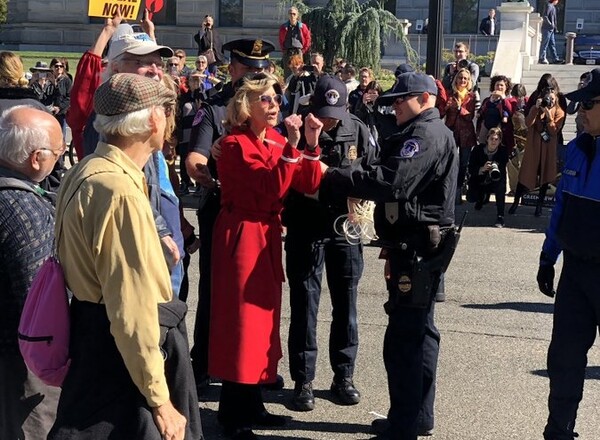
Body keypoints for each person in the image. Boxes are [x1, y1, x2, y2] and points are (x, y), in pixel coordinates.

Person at [48, 73, 202, 440]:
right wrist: (160, 400)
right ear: (152, 120)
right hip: (118, 354)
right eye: (165, 110)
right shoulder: (119, 191)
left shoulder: (86, 170)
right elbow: (131, 310)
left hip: (96, 336)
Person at [319, 71, 458, 440]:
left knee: (405, 340)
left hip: (417, 249)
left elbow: (391, 181)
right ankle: (416, 417)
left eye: (402, 98)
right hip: (417, 245)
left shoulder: (425, 134)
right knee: (420, 334)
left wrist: (335, 175)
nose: (395, 104)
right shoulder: (425, 132)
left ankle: (404, 424)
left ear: (425, 99)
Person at [209, 72, 324, 440]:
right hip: (243, 235)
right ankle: (232, 413)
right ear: (247, 106)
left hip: (265, 235)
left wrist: (309, 142)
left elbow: (307, 183)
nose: (274, 105)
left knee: (263, 322)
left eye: (276, 98)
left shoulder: (274, 140)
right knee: (241, 323)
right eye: (266, 100)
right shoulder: (233, 146)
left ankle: (252, 402)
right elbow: (266, 190)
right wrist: (291, 148)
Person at [185, 38, 279, 392]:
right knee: (215, 291)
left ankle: (254, 368)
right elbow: (195, 154)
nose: (256, 74)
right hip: (223, 206)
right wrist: (201, 171)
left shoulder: (268, 102)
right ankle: (206, 361)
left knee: (256, 296)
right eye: (249, 69)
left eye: (261, 68)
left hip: (262, 212)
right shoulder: (212, 106)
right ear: (233, 68)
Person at [282, 74, 377, 412]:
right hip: (306, 226)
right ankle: (303, 380)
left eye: (334, 114)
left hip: (344, 229)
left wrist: (356, 196)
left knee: (346, 307)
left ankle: (343, 376)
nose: (328, 121)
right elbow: (287, 176)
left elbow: (372, 174)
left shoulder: (359, 130)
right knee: (305, 307)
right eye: (322, 113)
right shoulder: (294, 128)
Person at [536, 67, 600, 440]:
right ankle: (559, 429)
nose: (580, 113)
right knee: (564, 358)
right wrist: (548, 257)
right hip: (576, 272)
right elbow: (560, 207)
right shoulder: (576, 150)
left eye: (589, 105)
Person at [0, 105, 63, 440]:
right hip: (22, 365)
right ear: (36, 158)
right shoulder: (24, 208)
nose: (60, 158)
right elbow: (40, 304)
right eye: (58, 152)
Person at [509, 75, 565, 217]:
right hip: (534, 141)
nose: (548, 94)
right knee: (527, 171)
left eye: (550, 89)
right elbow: (527, 122)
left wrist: (549, 115)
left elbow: (557, 127)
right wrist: (536, 107)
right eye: (545, 88)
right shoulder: (536, 96)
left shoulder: (560, 100)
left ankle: (539, 206)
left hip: (549, 143)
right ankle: (516, 202)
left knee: (546, 173)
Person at [443, 68, 477, 204]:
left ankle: (458, 191)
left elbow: (470, 116)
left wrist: (459, 108)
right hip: (452, 132)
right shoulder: (450, 94)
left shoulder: (472, 97)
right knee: (450, 162)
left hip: (466, 134)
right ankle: (448, 190)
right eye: (460, 78)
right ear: (456, 79)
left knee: (463, 163)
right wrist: (447, 108)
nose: (462, 81)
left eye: (465, 79)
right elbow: (447, 118)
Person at [467, 127, 509, 227]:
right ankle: (481, 199)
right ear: (487, 139)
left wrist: (495, 167)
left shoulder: (503, 151)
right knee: (471, 198)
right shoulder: (477, 150)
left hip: (495, 180)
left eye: (496, 139)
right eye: (491, 139)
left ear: (500, 141)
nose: (493, 142)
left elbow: (502, 171)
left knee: (500, 188)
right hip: (480, 179)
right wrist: (481, 169)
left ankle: (500, 216)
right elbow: (470, 168)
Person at [476, 74, 515, 155]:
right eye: (497, 85)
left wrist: (503, 98)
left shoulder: (509, 100)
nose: (499, 87)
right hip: (486, 127)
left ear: (506, 87)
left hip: (500, 129)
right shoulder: (487, 100)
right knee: (482, 147)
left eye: (502, 85)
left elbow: (510, 111)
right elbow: (482, 110)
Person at [279, 6, 312, 77]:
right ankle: (288, 86)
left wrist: (303, 50)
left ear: (297, 15)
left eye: (294, 14)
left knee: (299, 70)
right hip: (287, 52)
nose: (292, 15)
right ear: (288, 15)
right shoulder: (283, 27)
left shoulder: (302, 26)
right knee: (287, 72)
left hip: (298, 52)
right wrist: (283, 49)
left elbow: (308, 38)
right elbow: (280, 39)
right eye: (290, 14)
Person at [49, 57, 72, 137]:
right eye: (56, 66)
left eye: (61, 66)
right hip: (49, 110)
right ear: (52, 67)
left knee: (60, 134)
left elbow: (69, 97)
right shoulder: (48, 80)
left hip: (61, 112)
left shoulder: (66, 80)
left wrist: (59, 107)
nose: (59, 68)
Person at [539, 0, 563, 65]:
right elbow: (545, 16)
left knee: (552, 44)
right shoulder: (549, 5)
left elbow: (554, 19)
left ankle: (555, 58)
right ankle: (541, 58)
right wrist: (551, 25)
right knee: (545, 43)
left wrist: (554, 27)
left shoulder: (553, 7)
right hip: (547, 28)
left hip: (551, 29)